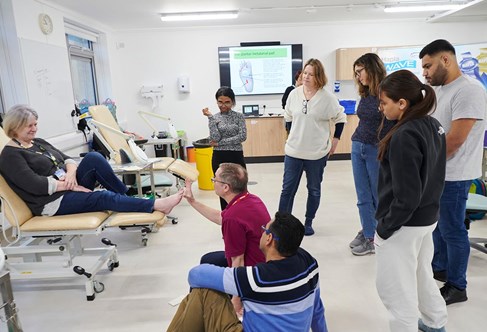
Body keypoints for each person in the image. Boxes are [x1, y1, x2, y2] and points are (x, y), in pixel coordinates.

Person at [0, 105, 183, 217]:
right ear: (14, 127)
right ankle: (157, 205)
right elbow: (35, 185)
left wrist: (71, 174)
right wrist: (70, 186)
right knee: (103, 197)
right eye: (29, 126)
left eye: (35, 124)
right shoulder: (10, 155)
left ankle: (127, 198)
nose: (34, 129)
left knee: (93, 157)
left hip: (68, 185)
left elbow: (67, 159)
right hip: (50, 202)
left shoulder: (37, 143)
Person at [167, 212, 327, 332]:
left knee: (203, 292)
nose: (262, 232)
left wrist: (231, 283)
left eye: (264, 229)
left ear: (269, 239)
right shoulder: (310, 263)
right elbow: (317, 309)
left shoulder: (256, 279)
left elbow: (196, 274)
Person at [375, 69, 448, 332]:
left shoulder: (405, 134)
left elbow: (407, 196)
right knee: (421, 276)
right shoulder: (432, 124)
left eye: (384, 102)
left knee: (396, 292)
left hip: (404, 225)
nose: (381, 108)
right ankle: (434, 323)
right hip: (426, 220)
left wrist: (385, 229)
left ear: (402, 103)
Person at [420, 39, 487, 305]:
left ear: (445, 60)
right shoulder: (441, 90)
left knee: (453, 230)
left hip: (455, 175)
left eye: (428, 66)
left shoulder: (468, 90)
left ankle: (457, 286)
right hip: (439, 173)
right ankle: (441, 268)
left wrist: (425, 163)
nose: (424, 72)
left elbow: (455, 139)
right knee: (437, 227)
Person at [184, 162, 270, 315]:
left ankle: (195, 312)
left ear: (226, 187)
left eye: (215, 179)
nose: (213, 181)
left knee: (199, 273)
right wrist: (192, 201)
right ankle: (197, 303)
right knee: (208, 260)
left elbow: (238, 261)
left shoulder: (233, 217)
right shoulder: (250, 199)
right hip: (262, 265)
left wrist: (236, 301)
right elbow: (220, 217)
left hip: (251, 275)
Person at [279, 58, 347, 236]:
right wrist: (290, 135)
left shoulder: (327, 98)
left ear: (319, 77)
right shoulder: (294, 94)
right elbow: (287, 116)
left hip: (317, 154)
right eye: (305, 73)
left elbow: (340, 118)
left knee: (314, 190)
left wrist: (335, 140)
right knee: (287, 190)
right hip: (293, 152)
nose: (307, 77)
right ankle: (281, 223)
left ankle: (308, 222)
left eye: (312, 74)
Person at [349, 53, 396, 256]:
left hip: (376, 149)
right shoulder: (366, 93)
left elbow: (395, 123)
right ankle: (368, 231)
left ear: (372, 68)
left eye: (360, 71)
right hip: (358, 145)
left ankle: (377, 234)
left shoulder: (388, 92)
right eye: (356, 73)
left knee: (378, 196)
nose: (358, 76)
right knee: (362, 195)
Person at [202, 86, 247, 211]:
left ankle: (242, 215)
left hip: (236, 156)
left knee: (240, 189)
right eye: (220, 102)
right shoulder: (214, 117)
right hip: (219, 157)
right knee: (223, 190)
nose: (223, 105)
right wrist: (210, 117)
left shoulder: (239, 117)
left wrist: (221, 143)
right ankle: (227, 217)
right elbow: (215, 138)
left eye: (227, 102)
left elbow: (242, 137)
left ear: (232, 102)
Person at [282, 70, 303, 134]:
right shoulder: (290, 89)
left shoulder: (305, 90)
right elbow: (284, 103)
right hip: (292, 118)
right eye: (300, 78)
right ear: (296, 78)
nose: (302, 80)